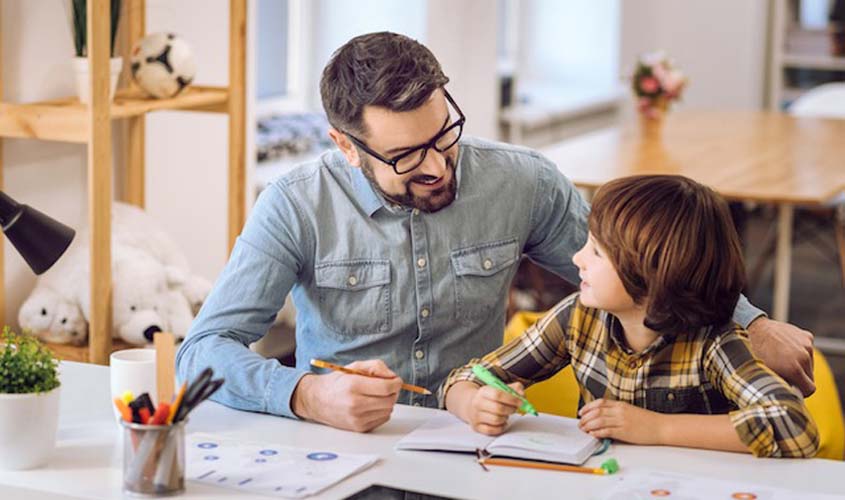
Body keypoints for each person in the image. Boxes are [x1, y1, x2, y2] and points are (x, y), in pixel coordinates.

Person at [176, 32, 815, 433]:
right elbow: (201, 350)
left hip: (475, 448)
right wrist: (308, 395)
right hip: (345, 450)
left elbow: (643, 268)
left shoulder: (522, 181)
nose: (434, 166)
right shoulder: (294, 204)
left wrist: (753, 323)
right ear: (345, 146)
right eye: (404, 157)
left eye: (443, 135)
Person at [442, 175, 818, 458]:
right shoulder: (577, 318)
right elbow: (466, 377)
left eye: (597, 253)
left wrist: (658, 428)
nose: (577, 259)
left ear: (652, 278)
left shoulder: (714, 342)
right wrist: (473, 404)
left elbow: (795, 426)